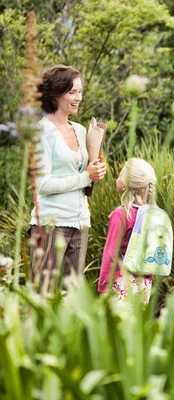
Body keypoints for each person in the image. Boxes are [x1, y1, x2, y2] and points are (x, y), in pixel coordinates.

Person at [29, 65, 107, 286]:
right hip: (49, 225)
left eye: (80, 92)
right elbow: (42, 184)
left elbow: (84, 173)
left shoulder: (81, 130)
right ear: (55, 94)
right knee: (43, 297)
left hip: (80, 222)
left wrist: (96, 171)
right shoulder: (42, 132)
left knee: (72, 299)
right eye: (72, 92)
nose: (78, 97)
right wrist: (85, 177)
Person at [98, 158, 156, 304]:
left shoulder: (121, 215)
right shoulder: (152, 215)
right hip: (144, 282)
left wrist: (103, 286)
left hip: (122, 282)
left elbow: (110, 253)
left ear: (124, 185)